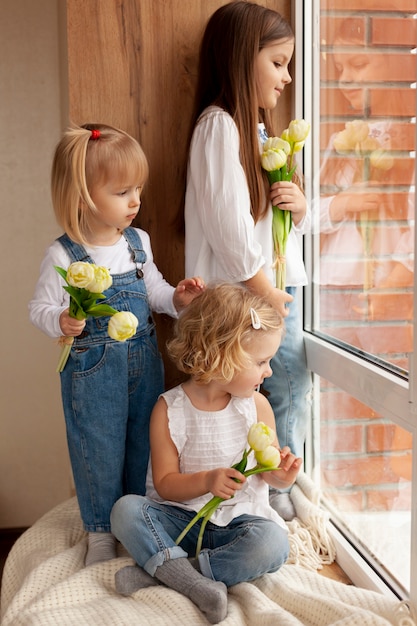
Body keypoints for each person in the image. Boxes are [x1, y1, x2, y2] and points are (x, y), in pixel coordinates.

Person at [29, 123, 204, 566]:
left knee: (146, 441)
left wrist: (178, 299)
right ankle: (101, 530)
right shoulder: (65, 256)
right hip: (92, 370)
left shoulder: (136, 243)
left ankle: (137, 518)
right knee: (98, 445)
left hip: (143, 363)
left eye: (138, 190)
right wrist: (62, 320)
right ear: (84, 196)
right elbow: (39, 308)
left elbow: (156, 292)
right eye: (122, 191)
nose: (135, 201)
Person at [183, 1, 311, 520]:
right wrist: (264, 287)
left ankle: (274, 482)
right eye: (277, 63)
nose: (286, 78)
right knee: (270, 384)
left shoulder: (258, 134)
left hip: (266, 287)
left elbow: (269, 219)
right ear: (241, 59)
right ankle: (269, 488)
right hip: (247, 294)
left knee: (279, 383)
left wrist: (299, 209)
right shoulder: (219, 127)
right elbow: (229, 226)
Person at [110, 283, 302, 624]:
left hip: (237, 523)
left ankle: (174, 575)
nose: (268, 370)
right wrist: (207, 480)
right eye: (261, 361)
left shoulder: (257, 406)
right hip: (180, 522)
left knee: (273, 543)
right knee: (126, 510)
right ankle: (193, 579)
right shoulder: (169, 410)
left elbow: (266, 469)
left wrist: (281, 476)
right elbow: (166, 484)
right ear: (221, 356)